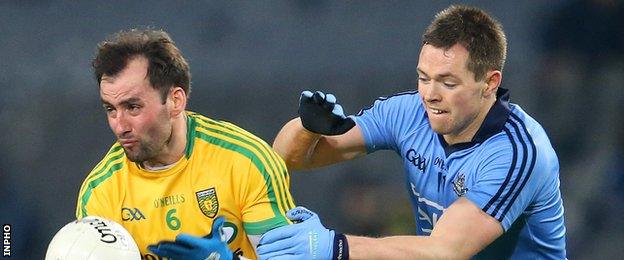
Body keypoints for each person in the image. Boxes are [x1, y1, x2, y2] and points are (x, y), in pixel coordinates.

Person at [257, 5, 566, 259]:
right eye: (423, 77)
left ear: (490, 82)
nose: (430, 95)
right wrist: (307, 127)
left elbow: (445, 251)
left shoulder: (518, 152)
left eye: (448, 82)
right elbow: (287, 159)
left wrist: (332, 246)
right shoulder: (408, 112)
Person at [75, 29, 295, 259]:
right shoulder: (100, 193)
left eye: (133, 107)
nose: (120, 126)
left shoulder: (246, 161)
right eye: (111, 109)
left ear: (175, 101)